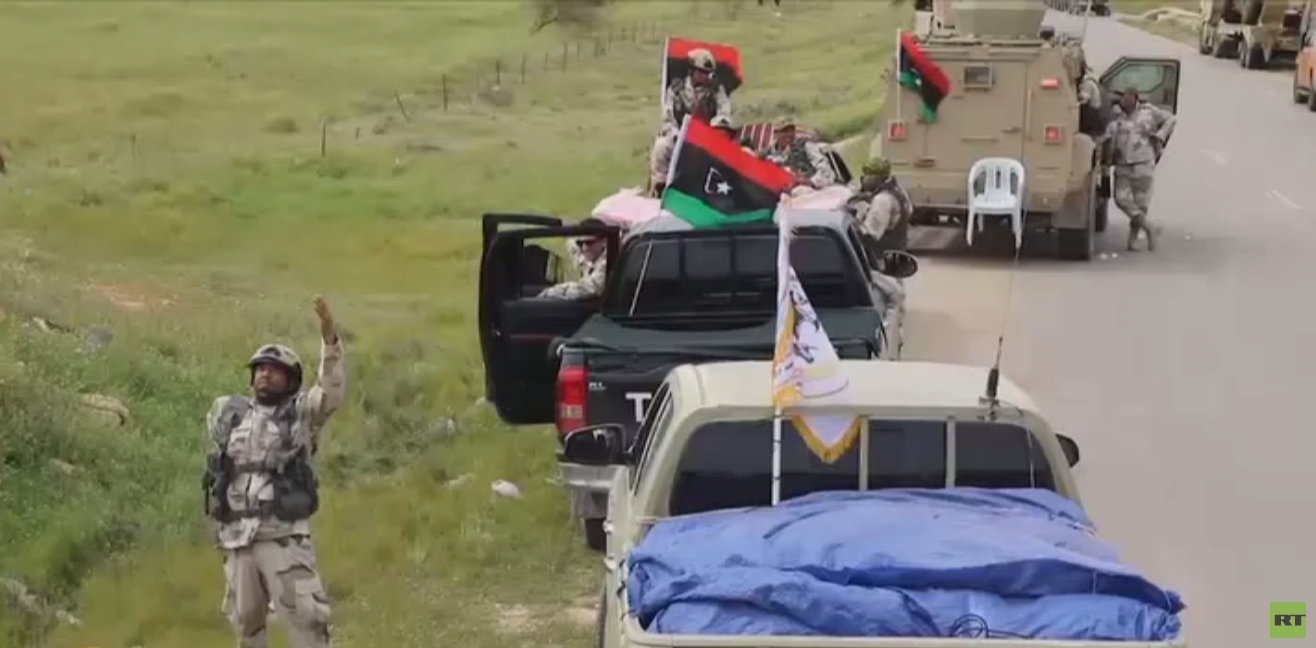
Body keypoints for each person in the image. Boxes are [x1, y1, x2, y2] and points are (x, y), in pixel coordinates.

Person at [205, 296, 344, 648]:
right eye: (260, 368)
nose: (265, 373)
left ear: (290, 379)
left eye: (274, 369)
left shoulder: (301, 414)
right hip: (238, 541)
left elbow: (330, 392)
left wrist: (329, 341)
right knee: (246, 627)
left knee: (307, 623)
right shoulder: (231, 415)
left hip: (283, 539)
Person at [649, 49, 733, 197]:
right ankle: (660, 187)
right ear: (691, 71)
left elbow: (724, 113)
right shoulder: (676, 89)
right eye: (701, 72)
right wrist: (677, 134)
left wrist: (712, 129)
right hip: (679, 136)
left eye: (708, 73)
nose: (705, 76)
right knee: (661, 146)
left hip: (707, 139)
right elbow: (668, 117)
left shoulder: (716, 90)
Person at [1104, 88, 1175, 251]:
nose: (1122, 101)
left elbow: (1171, 119)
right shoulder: (1115, 114)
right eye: (1121, 98)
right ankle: (1149, 227)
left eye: (1126, 97)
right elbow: (1108, 134)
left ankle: (1133, 240)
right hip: (1123, 163)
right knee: (1121, 198)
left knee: (1141, 203)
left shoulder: (1148, 112)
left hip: (1143, 161)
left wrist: (1161, 135)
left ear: (1134, 98)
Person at [847, 156, 912, 256]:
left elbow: (870, 235)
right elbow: (909, 212)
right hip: (898, 253)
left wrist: (854, 222)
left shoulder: (882, 200)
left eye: (868, 175)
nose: (864, 178)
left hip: (881, 257)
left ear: (878, 177)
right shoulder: (900, 192)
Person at [539, 217, 608, 300]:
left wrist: (555, 291)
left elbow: (587, 289)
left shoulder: (606, 264)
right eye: (580, 243)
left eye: (589, 243)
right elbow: (573, 246)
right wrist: (571, 228)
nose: (584, 248)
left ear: (604, 241)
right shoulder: (590, 257)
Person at [761, 116, 836, 190]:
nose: (789, 134)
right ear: (776, 133)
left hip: (814, 190)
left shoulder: (805, 145)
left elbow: (825, 170)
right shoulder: (766, 155)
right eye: (784, 131)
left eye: (791, 130)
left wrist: (810, 181)